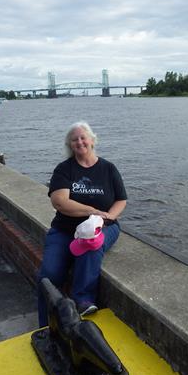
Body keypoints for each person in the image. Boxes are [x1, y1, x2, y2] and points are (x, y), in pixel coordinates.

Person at [37, 121, 127, 327]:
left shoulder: (108, 168)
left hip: (104, 226)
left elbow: (121, 200)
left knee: (91, 242)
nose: (79, 142)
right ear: (70, 145)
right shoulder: (64, 169)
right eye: (74, 139)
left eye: (83, 137)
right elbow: (60, 202)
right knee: (49, 275)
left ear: (92, 140)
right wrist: (93, 211)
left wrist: (106, 218)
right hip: (65, 230)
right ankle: (46, 325)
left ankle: (83, 299)